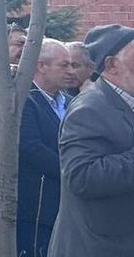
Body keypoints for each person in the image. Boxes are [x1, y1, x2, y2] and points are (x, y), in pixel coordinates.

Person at [48, 23, 134, 256]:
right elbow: (82, 177)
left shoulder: (124, 102)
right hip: (100, 246)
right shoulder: (90, 109)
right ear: (112, 64)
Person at [18, 38, 70, 257]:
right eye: (63, 65)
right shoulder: (24, 99)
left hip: (67, 206)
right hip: (37, 205)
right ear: (41, 66)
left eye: (71, 65)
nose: (70, 71)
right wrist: (73, 171)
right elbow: (31, 148)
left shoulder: (71, 102)